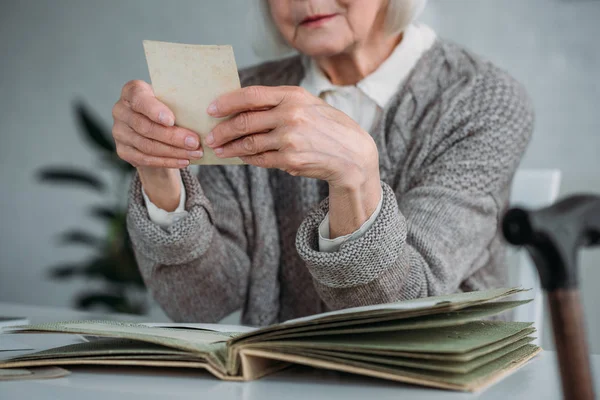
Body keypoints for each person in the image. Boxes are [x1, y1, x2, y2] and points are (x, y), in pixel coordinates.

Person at [112, 0, 533, 326]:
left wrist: (356, 179)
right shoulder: (245, 95)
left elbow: (407, 308)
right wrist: (158, 170)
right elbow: (202, 302)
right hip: (285, 385)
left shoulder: (483, 99)